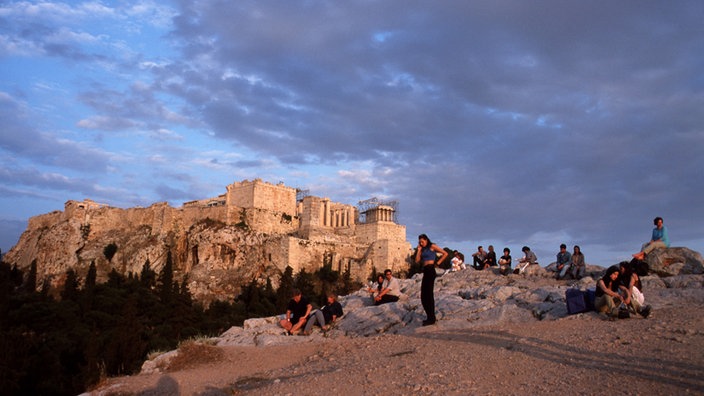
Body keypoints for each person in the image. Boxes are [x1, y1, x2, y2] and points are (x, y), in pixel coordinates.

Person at [415, 234, 448, 326]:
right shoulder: (422, 249)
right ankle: (429, 316)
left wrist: (438, 263)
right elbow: (417, 261)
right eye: (420, 242)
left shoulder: (432, 246)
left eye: (422, 241)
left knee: (428, 294)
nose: (421, 243)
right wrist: (418, 250)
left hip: (430, 269)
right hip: (425, 270)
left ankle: (432, 318)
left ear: (426, 240)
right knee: (423, 296)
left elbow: (445, 253)